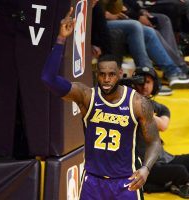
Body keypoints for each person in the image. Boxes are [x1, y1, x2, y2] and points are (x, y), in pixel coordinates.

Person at [41, 7, 161, 200]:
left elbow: (154, 142)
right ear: (97, 75)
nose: (106, 79)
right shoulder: (86, 96)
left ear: (120, 74)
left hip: (125, 181)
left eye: (111, 75)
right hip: (92, 182)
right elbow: (48, 78)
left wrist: (146, 168)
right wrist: (61, 38)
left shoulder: (138, 103)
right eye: (102, 74)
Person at [132, 67, 189, 198]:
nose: (144, 86)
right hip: (146, 165)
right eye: (141, 82)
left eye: (148, 82)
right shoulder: (129, 105)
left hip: (165, 159)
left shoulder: (157, 106)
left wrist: (147, 114)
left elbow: (163, 125)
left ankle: (186, 185)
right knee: (180, 171)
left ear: (155, 84)